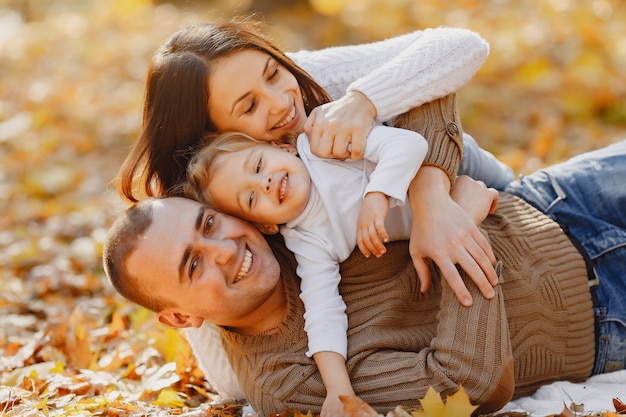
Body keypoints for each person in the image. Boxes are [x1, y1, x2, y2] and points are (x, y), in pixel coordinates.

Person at [104, 132, 626, 416]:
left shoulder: (271, 203)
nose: (224, 249)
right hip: (604, 313)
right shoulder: (290, 382)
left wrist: (432, 195)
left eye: (209, 223)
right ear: (179, 316)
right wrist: (464, 228)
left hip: (550, 200)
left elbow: (424, 97)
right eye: (193, 264)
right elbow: (467, 383)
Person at [117, 19, 514, 305]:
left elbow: (464, 44)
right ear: (212, 136)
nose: (282, 102)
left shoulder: (311, 77)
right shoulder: (207, 206)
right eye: (250, 106)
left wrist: (363, 101)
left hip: (483, 179)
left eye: (273, 73)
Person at [183, 124, 430, 417]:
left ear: (281, 148)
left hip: (453, 174)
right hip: (451, 228)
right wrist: (339, 390)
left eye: (259, 165)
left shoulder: (322, 148)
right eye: (250, 198)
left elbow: (410, 144)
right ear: (264, 226)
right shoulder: (307, 240)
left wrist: (376, 194)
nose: (264, 182)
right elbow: (323, 311)